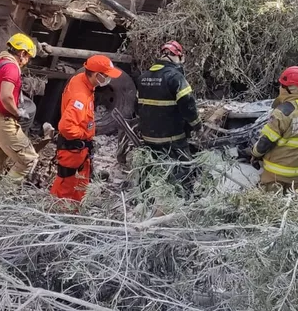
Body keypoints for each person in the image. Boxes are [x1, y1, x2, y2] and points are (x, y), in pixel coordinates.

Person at [51, 54, 123, 202]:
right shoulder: (80, 97)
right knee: (66, 190)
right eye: (107, 76)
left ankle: (75, 212)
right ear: (97, 75)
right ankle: (60, 217)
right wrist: (84, 134)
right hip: (73, 150)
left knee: (79, 186)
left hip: (79, 150)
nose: (109, 79)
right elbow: (66, 127)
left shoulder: (80, 80)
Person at [135, 40, 201, 192]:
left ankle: (146, 198)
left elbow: (137, 107)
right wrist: (196, 124)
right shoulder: (175, 78)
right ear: (178, 56)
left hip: (148, 136)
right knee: (183, 167)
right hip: (173, 137)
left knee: (151, 166)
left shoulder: (143, 78)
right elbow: (188, 105)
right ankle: (182, 199)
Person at [0, 32, 38, 181]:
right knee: (28, 160)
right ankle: (4, 193)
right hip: (3, 122)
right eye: (28, 57)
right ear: (22, 53)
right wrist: (17, 112)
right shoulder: (11, 68)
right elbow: (6, 96)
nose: (26, 61)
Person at [250, 66, 298, 193]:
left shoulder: (282, 113)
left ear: (290, 88)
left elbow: (265, 142)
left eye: (282, 85)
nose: (280, 88)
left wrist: (254, 154)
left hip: (274, 177)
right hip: (297, 178)